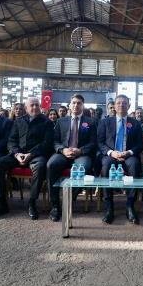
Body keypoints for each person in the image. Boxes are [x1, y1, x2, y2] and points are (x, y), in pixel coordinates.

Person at [0, 97, 53, 219]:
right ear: (26, 108)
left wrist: (31, 154)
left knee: (40, 166)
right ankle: (1, 204)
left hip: (36, 155)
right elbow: (11, 141)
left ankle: (32, 203)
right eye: (32, 105)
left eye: (37, 105)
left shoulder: (47, 122)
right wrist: (17, 154)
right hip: (18, 155)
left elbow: (47, 143)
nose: (35, 107)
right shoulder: (18, 121)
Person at [46, 94, 96, 222]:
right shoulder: (61, 121)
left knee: (83, 167)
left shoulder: (91, 122)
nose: (76, 105)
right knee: (51, 165)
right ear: (69, 105)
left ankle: (69, 200)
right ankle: (55, 205)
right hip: (63, 153)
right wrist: (63, 150)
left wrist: (80, 150)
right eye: (73, 103)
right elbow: (55, 141)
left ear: (83, 105)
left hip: (81, 154)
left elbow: (93, 142)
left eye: (79, 103)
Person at [97, 94, 143, 224]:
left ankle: (130, 205)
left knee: (134, 165)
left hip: (128, 155)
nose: (121, 105)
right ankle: (109, 206)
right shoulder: (105, 122)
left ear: (129, 106)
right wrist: (111, 153)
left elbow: (140, 144)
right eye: (118, 103)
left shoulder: (135, 123)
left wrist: (128, 152)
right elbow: (100, 142)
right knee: (106, 166)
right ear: (114, 106)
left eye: (124, 103)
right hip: (111, 155)